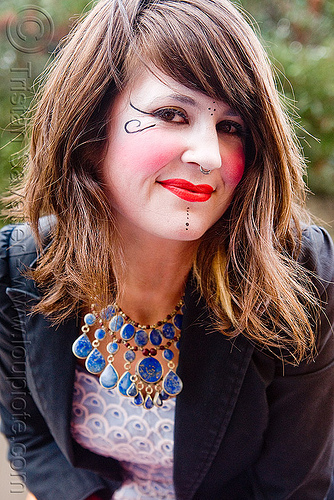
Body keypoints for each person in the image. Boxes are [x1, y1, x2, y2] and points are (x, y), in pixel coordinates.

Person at [0, 0, 333, 498]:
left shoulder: (301, 276)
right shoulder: (16, 267)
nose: (208, 155)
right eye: (172, 114)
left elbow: (294, 485)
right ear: (92, 131)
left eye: (231, 127)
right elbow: (29, 435)